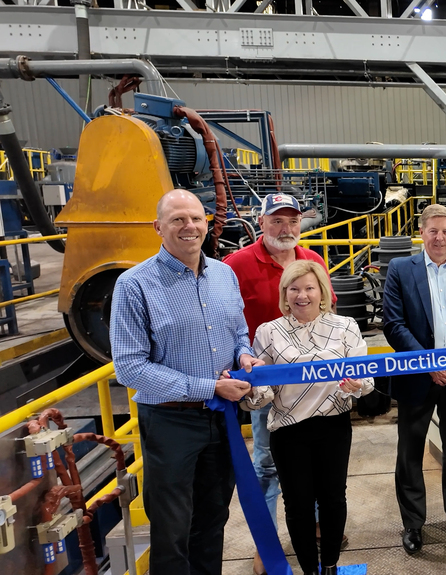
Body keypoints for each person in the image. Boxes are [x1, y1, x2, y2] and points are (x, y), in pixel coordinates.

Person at [110, 189, 262, 575]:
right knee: (172, 528)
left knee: (213, 519)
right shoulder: (134, 285)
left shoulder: (224, 274)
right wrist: (210, 388)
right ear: (158, 227)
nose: (189, 226)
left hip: (222, 418)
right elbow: (130, 368)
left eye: (195, 217)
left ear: (207, 222)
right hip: (170, 422)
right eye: (177, 219)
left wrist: (243, 354)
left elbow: (239, 331)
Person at [223, 193, 336, 575]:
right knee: (268, 465)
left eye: (291, 221)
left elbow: (329, 313)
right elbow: (228, 323)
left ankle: (316, 526)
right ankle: (267, 543)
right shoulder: (235, 265)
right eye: (276, 221)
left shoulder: (313, 261)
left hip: (315, 388)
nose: (285, 228)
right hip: (268, 389)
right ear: (261, 223)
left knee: (318, 464)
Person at [245, 260, 371, 575]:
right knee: (298, 505)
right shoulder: (268, 332)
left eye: (309, 288)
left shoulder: (345, 327)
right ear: (284, 294)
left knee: (332, 499)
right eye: (295, 289)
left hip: (333, 427)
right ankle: (309, 570)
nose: (303, 295)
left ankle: (329, 566)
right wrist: (250, 387)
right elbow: (262, 394)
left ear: (322, 292)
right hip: (288, 432)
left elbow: (367, 378)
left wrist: (357, 386)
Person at [382, 204, 446, 554]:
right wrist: (430, 364)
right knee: (410, 454)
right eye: (433, 230)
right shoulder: (400, 269)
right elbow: (393, 325)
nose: (439, 237)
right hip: (416, 378)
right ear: (422, 233)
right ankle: (413, 524)